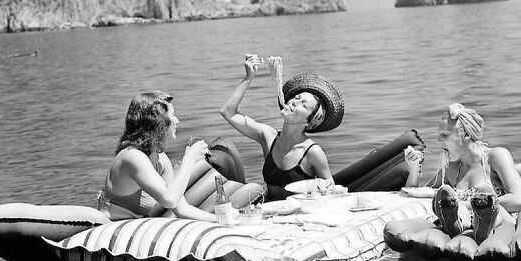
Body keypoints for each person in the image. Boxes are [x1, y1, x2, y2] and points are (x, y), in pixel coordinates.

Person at [404, 102, 521, 252]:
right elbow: (418, 193)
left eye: (444, 135)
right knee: (452, 207)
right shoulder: (451, 167)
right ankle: (457, 224)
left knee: (489, 208)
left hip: (499, 224)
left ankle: (480, 220)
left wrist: (470, 204)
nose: (438, 141)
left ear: (467, 134)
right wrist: (413, 168)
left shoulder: (495, 157)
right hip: (465, 227)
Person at [220, 54, 345, 201]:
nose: (294, 102)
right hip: (268, 213)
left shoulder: (312, 152)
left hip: (299, 217)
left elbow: (331, 193)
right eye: (296, 98)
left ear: (308, 122)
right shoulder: (268, 136)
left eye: (303, 105)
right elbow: (228, 112)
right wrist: (249, 77)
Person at [97, 91, 216, 222]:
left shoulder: (160, 159)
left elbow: (181, 209)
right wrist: (189, 160)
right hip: (111, 227)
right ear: (159, 123)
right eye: (173, 115)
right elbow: (169, 200)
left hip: (137, 226)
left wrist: (221, 219)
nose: (177, 120)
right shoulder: (132, 157)